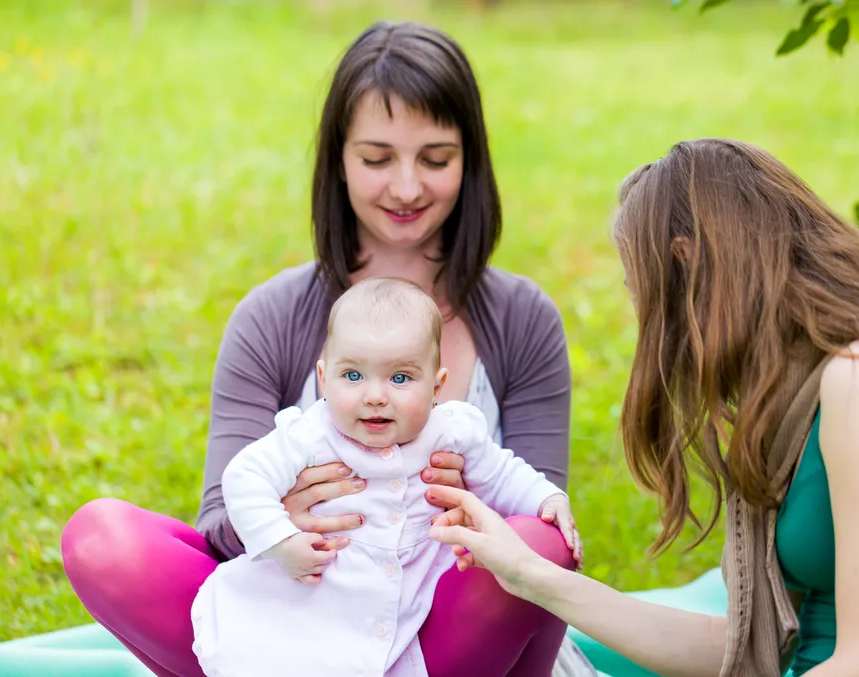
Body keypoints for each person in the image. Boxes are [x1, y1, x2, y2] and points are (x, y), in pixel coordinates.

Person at [60, 20, 596, 677]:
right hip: (298, 621)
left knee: (538, 544)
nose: (406, 187)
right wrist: (282, 518)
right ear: (338, 160)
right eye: (376, 158)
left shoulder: (522, 320)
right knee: (102, 540)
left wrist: (472, 510)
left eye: (435, 158)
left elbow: (545, 531)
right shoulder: (272, 318)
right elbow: (221, 521)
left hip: (455, 634)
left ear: (471, 160)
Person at [427, 138, 859, 676]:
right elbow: (741, 651)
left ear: (686, 263)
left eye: (639, 290)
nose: (644, 320)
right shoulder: (795, 397)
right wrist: (530, 575)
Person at [191, 277, 582, 677]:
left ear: (437, 385)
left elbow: (503, 474)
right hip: (321, 598)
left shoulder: (452, 432)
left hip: (419, 606)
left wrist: (546, 498)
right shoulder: (310, 435)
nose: (375, 395)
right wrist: (280, 540)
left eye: (399, 378)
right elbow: (244, 477)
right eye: (353, 376)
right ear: (324, 378)